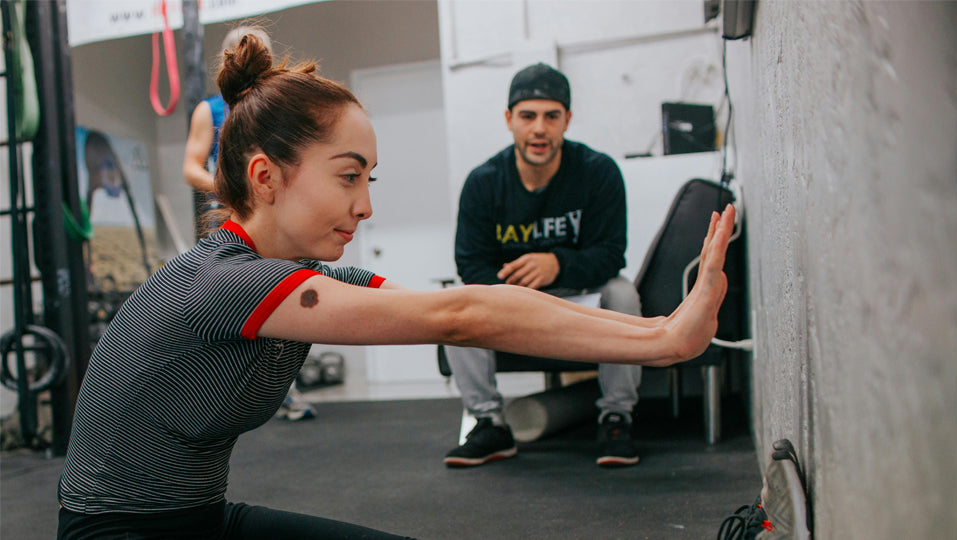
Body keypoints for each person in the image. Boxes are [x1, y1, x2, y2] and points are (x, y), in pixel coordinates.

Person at [57, 33, 735, 539]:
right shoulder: (220, 283)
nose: (365, 206)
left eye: (368, 180)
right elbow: (462, 315)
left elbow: (479, 309)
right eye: (348, 177)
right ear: (266, 179)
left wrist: (662, 331)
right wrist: (665, 343)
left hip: (202, 520)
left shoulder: (306, 280)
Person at [443, 63, 645, 468]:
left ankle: (616, 417)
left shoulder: (598, 171)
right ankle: (489, 423)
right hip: (511, 297)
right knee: (452, 301)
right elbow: (471, 262)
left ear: (567, 120)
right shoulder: (483, 182)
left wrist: (557, 264)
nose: (539, 128)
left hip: (576, 293)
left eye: (551, 116)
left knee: (623, 292)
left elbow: (611, 253)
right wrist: (515, 297)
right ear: (509, 120)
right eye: (528, 116)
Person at [182, 26, 315, 421]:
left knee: (284, 295)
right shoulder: (210, 110)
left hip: (275, 217)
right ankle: (224, 393)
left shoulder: (279, 105)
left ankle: (282, 390)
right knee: (229, 304)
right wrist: (233, 190)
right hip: (230, 220)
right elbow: (191, 167)